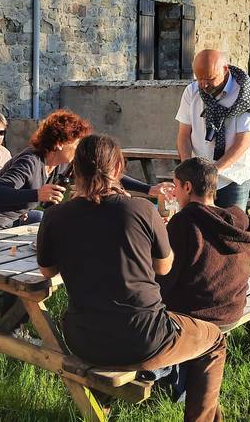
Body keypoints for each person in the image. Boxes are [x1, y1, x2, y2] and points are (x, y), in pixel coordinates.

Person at [37, 134, 228, 422]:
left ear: (76, 171)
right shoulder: (140, 209)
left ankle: (112, 400)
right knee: (214, 340)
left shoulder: (55, 216)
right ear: (117, 169)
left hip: (82, 338)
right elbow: (163, 267)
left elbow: (48, 271)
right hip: (145, 338)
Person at [0, 110, 172, 235]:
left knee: (49, 224)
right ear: (60, 143)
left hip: (10, 219)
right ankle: (14, 299)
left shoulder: (64, 163)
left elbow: (103, 173)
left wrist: (150, 189)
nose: (79, 147)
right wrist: (35, 195)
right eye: (76, 142)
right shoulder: (30, 161)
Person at [158, 157, 250, 327]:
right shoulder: (239, 218)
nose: (174, 193)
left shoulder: (185, 221)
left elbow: (166, 276)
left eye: (176, 186)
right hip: (233, 311)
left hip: (195, 317)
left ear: (187, 187)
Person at [176, 49, 250, 211]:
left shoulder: (245, 94)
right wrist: (187, 169)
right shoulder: (192, 91)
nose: (203, 84)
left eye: (209, 79)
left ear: (225, 70)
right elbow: (183, 136)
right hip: (198, 178)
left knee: (231, 231)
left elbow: (243, 143)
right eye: (199, 79)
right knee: (195, 228)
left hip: (231, 178)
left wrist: (214, 171)